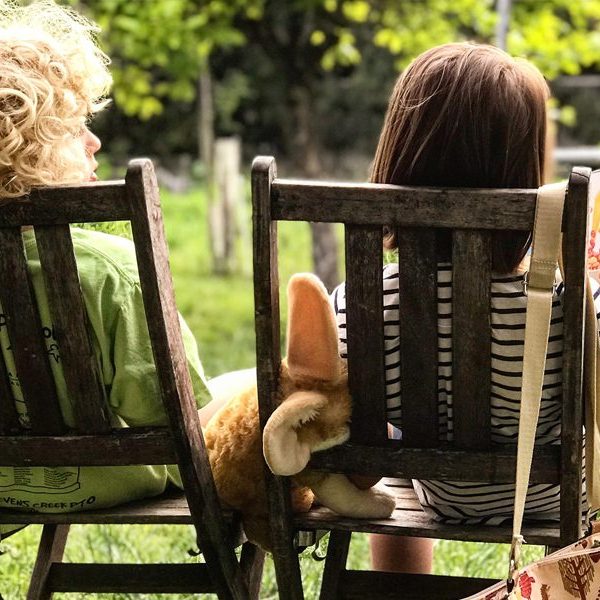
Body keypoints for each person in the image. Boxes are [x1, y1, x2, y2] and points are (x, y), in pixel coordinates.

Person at [331, 42, 596, 573]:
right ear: (526, 174)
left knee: (397, 437)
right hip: (555, 493)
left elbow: (354, 420)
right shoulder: (574, 303)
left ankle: (400, 588)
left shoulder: (359, 302)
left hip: (441, 490)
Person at [0, 0, 213, 538]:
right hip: (104, 477)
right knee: (241, 391)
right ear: (29, 147)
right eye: (75, 127)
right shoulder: (108, 269)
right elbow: (178, 419)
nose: (95, 142)